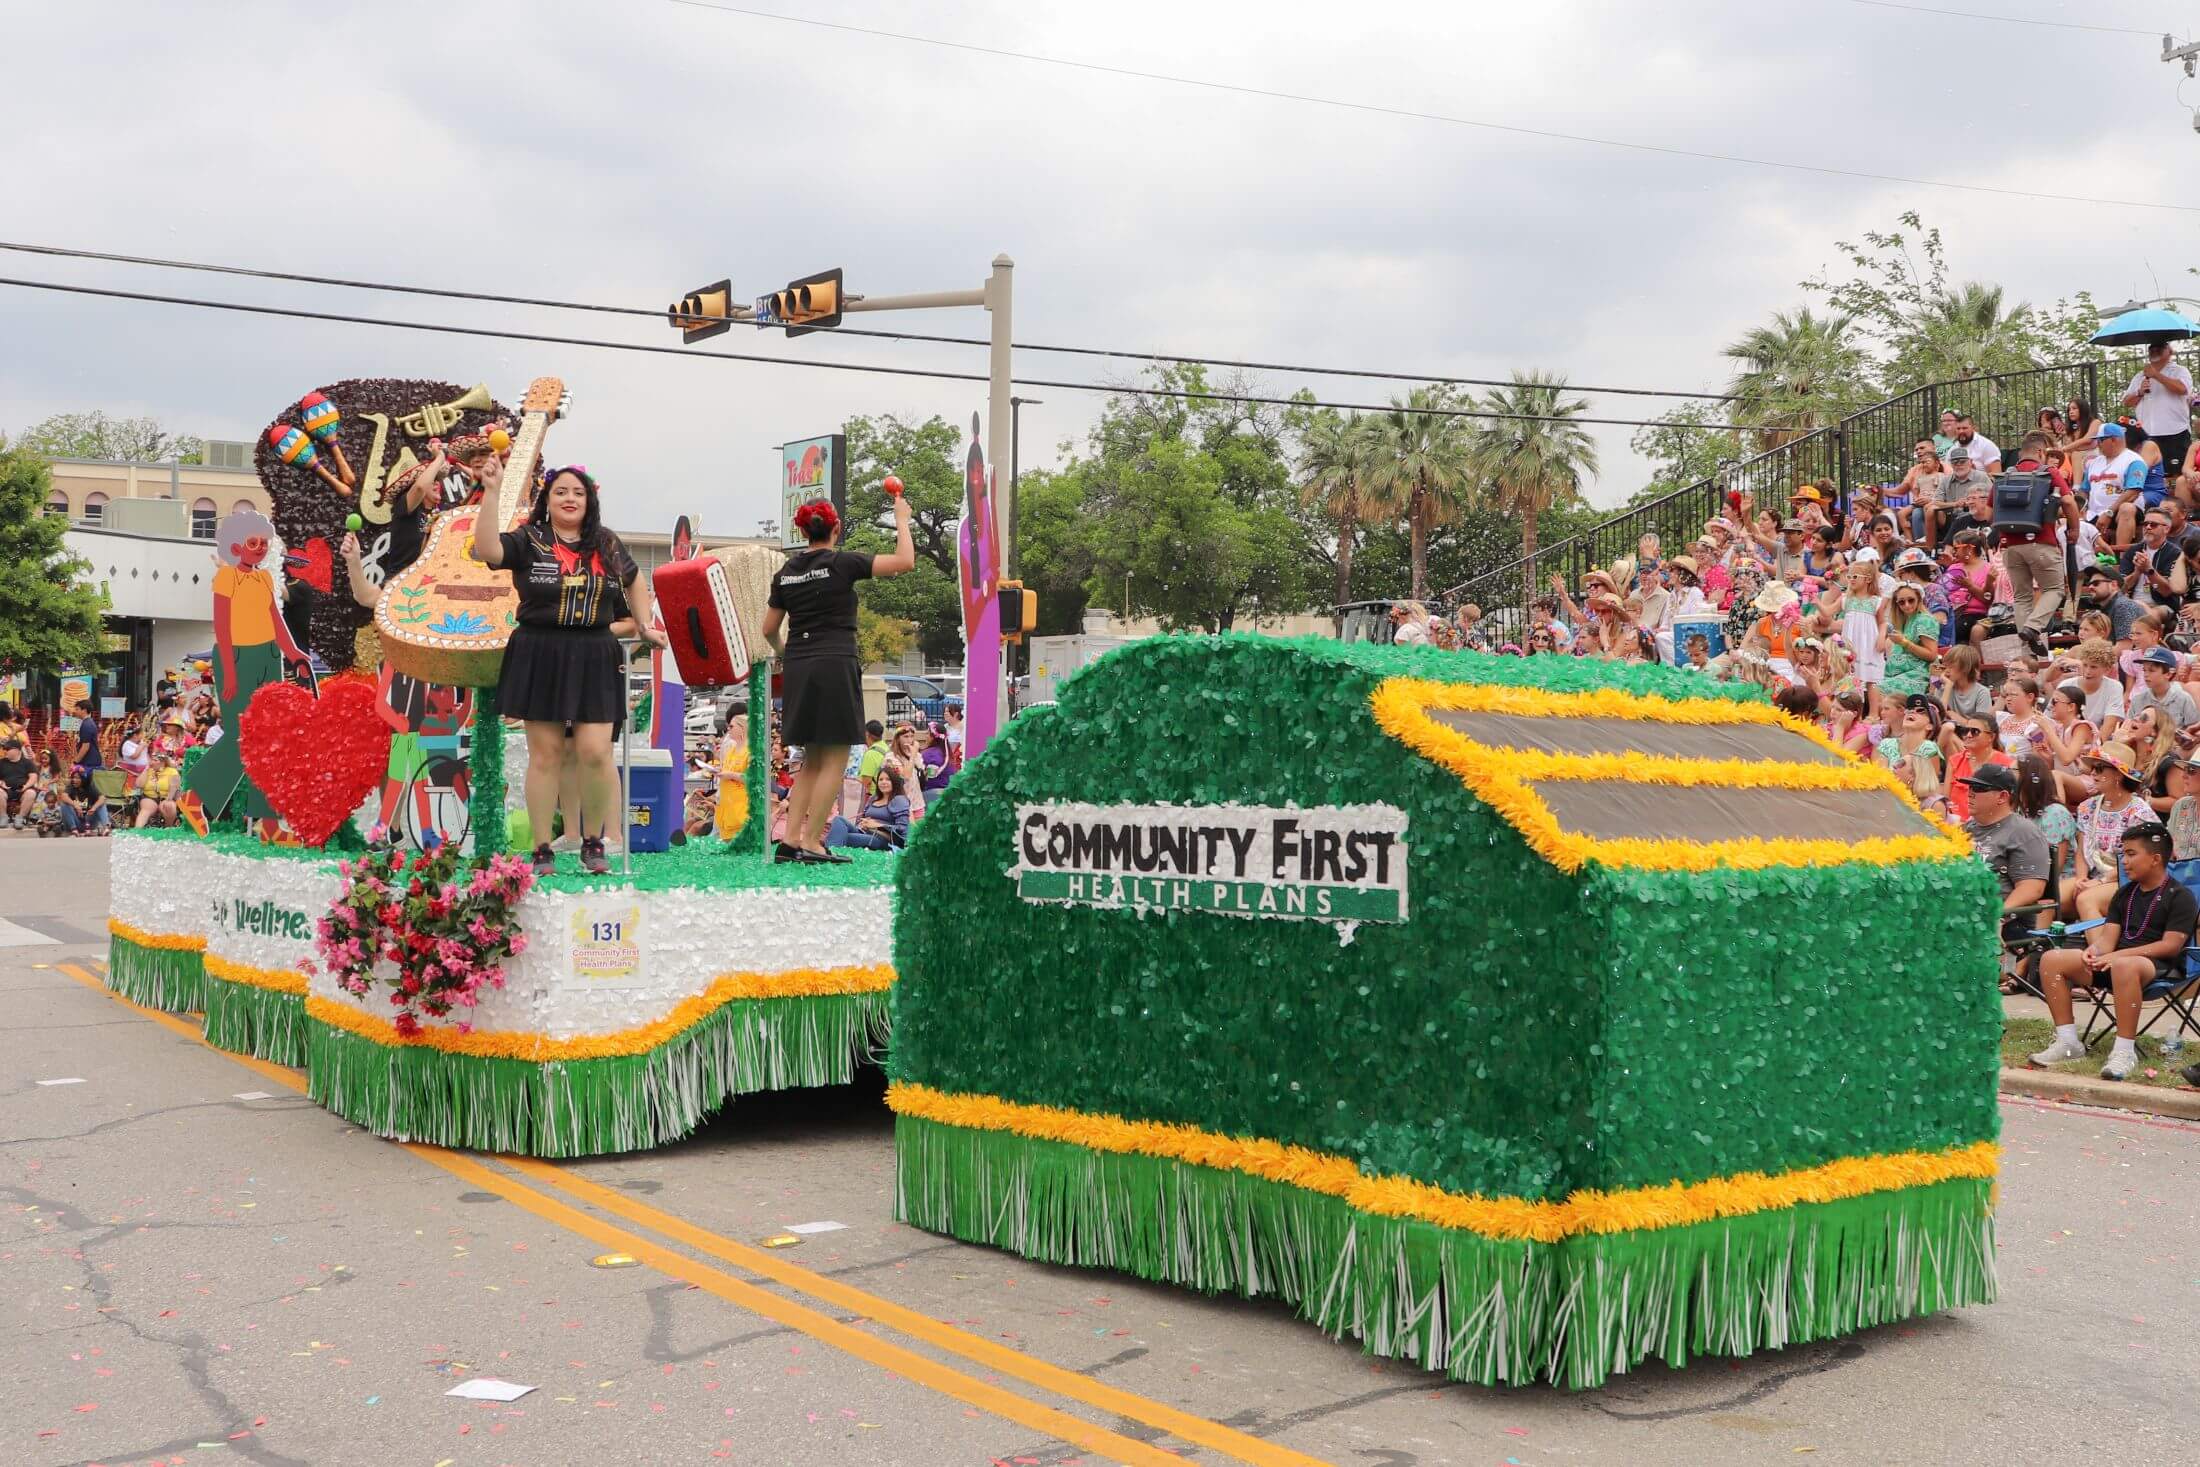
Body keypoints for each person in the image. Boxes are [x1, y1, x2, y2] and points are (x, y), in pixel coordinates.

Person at [475, 462, 666, 876]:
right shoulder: (529, 538)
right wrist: (491, 493)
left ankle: (594, 842)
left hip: (596, 651)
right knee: (545, 756)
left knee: (596, 753)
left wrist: (645, 624)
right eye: (561, 491)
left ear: (589, 500)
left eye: (577, 492)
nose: (569, 499)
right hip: (539, 650)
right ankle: (543, 849)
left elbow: (634, 579)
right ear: (547, 499)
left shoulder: (605, 542)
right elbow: (488, 551)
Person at [760, 491, 917, 863]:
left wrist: (787, 654)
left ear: (802, 531)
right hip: (834, 662)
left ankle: (791, 839)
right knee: (835, 758)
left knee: (812, 760)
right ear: (837, 528)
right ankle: (813, 841)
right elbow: (905, 561)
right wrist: (902, 519)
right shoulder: (842, 563)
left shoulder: (786, 573)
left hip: (800, 663)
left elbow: (768, 629)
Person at [182, 508, 312, 836]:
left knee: (271, 741)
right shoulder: (227, 578)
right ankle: (195, 796)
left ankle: (268, 823)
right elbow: (221, 626)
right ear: (236, 547)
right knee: (244, 739)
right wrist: (229, 668)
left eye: (263, 542)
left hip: (269, 656)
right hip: (236, 657)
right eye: (252, 542)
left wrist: (294, 654)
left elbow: (275, 621)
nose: (260, 547)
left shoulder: (264, 578)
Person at [2030, 822, 2194, 1081]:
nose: (2123, 861)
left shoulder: (2180, 895)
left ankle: (2124, 1051)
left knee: (2124, 965)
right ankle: (2068, 1042)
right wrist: (2093, 951)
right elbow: (2108, 940)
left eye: (2131, 854)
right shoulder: (2124, 894)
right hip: (2116, 964)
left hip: (2160, 967)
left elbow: (2170, 946)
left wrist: (2116, 956)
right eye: (2123, 854)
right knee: (2053, 959)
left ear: (2155, 859)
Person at [1962, 762, 2050, 941]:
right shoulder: (1965, 829)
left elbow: (2032, 888)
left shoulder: (2023, 832)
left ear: (2002, 796)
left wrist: (1998, 916)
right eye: (1970, 786)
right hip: (1962, 915)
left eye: (1979, 788)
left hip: (2006, 923)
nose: (1970, 792)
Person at [2068, 742, 2153, 919]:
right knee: (2052, 898)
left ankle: (2100, 947)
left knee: (2085, 900)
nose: (2092, 773)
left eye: (2099, 768)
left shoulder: (2140, 813)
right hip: (2094, 876)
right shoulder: (2087, 807)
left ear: (2118, 775)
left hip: (2129, 880)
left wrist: (2100, 881)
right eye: (2092, 767)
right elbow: (2082, 851)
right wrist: (2081, 879)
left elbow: (2139, 862)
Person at [2123, 341, 2196, 479]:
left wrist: (2156, 375)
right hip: (2147, 434)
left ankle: (2175, 501)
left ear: (2170, 351)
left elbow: (2182, 389)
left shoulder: (2179, 371)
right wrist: (2139, 392)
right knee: (2147, 475)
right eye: (2152, 348)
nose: (2154, 350)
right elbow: (2127, 402)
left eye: (2159, 347)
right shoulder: (2139, 376)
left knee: (2175, 476)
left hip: (2175, 432)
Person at [1945, 714, 2013, 823]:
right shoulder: (1955, 761)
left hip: (1988, 827)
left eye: (1974, 731)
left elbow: (2009, 805)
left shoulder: (2006, 764)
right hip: (1955, 826)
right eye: (1965, 730)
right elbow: (1946, 801)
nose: (1968, 735)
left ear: (1991, 737)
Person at [2128, 645, 2199, 732]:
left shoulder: (2183, 699)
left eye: (2151, 670)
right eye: (2144, 670)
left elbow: (2194, 732)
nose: (2146, 674)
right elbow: (2128, 728)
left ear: (2168, 674)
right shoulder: (2137, 700)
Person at [132, 750, 182, 828]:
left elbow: (175, 786)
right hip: (150, 797)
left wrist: (168, 799)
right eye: (152, 759)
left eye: (155, 760)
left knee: (169, 806)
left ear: (163, 762)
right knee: (146, 809)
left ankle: (168, 828)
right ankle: (137, 830)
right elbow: (139, 785)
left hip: (167, 797)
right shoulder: (149, 771)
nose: (152, 762)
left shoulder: (172, 771)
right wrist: (146, 769)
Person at [0, 737, 31, 828]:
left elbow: (33, 777)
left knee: (31, 793)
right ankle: (3, 817)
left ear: (17, 750)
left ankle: (20, 818)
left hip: (22, 790)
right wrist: (1, 783)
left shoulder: (27, 763)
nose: (4, 751)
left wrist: (26, 786)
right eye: (4, 749)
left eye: (7, 749)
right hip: (5, 790)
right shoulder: (1, 762)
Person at [69, 700, 102, 773]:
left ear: (84, 710)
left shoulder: (86, 725)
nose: (75, 711)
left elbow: (85, 747)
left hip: (89, 764)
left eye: (77, 709)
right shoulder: (88, 723)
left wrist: (75, 762)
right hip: (90, 762)